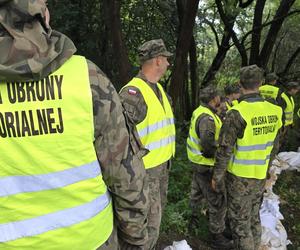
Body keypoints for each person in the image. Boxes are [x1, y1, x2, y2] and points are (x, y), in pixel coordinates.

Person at [0, 1, 149, 249]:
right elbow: (125, 175)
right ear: (44, 17)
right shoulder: (88, 77)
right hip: (91, 240)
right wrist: (136, 240)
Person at [212, 65, 283, 250]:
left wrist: (217, 177)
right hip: (259, 175)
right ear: (260, 83)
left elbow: (224, 150)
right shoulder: (275, 111)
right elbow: (274, 147)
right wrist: (266, 168)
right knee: (253, 218)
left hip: (238, 179)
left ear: (239, 84)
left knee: (240, 224)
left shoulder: (237, 112)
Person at [119, 39, 176, 250]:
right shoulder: (133, 94)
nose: (169, 64)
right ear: (158, 60)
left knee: (154, 224)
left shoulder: (157, 89)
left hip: (160, 170)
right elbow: (117, 140)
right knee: (145, 228)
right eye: (166, 59)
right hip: (145, 173)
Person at [187, 85, 233, 249]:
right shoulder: (208, 118)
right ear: (213, 99)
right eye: (218, 97)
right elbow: (207, 146)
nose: (220, 99)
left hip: (199, 163)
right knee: (217, 201)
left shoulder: (201, 111)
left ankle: (191, 223)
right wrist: (221, 153)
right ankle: (216, 236)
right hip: (206, 165)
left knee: (197, 194)